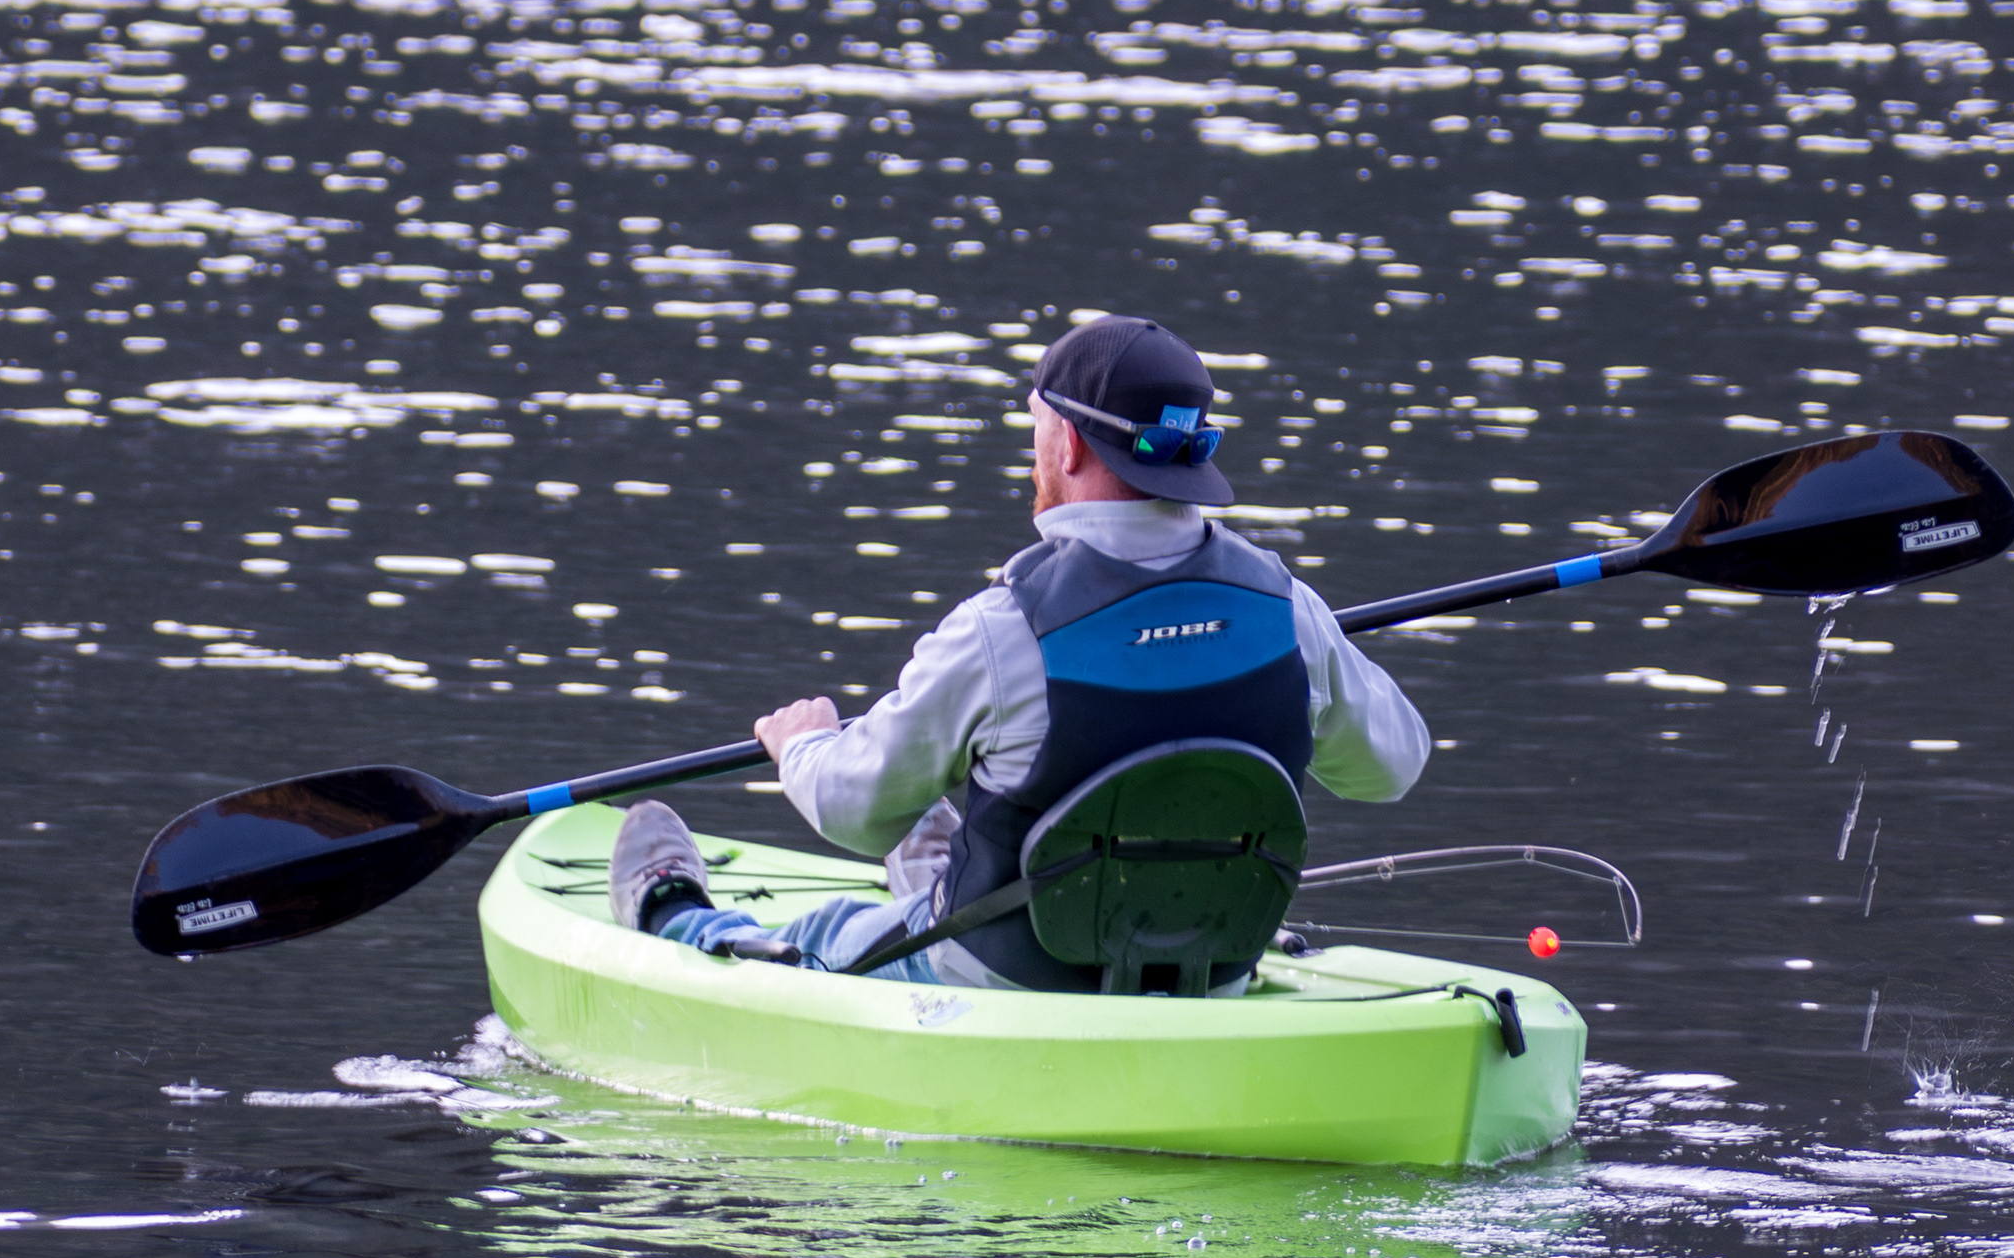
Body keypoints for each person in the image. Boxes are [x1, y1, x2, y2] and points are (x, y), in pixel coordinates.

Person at [606, 314, 1430, 988]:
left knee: (827, 932)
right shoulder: (1288, 606)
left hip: (1004, 977)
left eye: (1037, 428)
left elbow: (855, 814)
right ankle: (937, 860)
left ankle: (673, 916)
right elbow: (1392, 767)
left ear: (1068, 444)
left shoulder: (1003, 628)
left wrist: (803, 745)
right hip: (1212, 969)